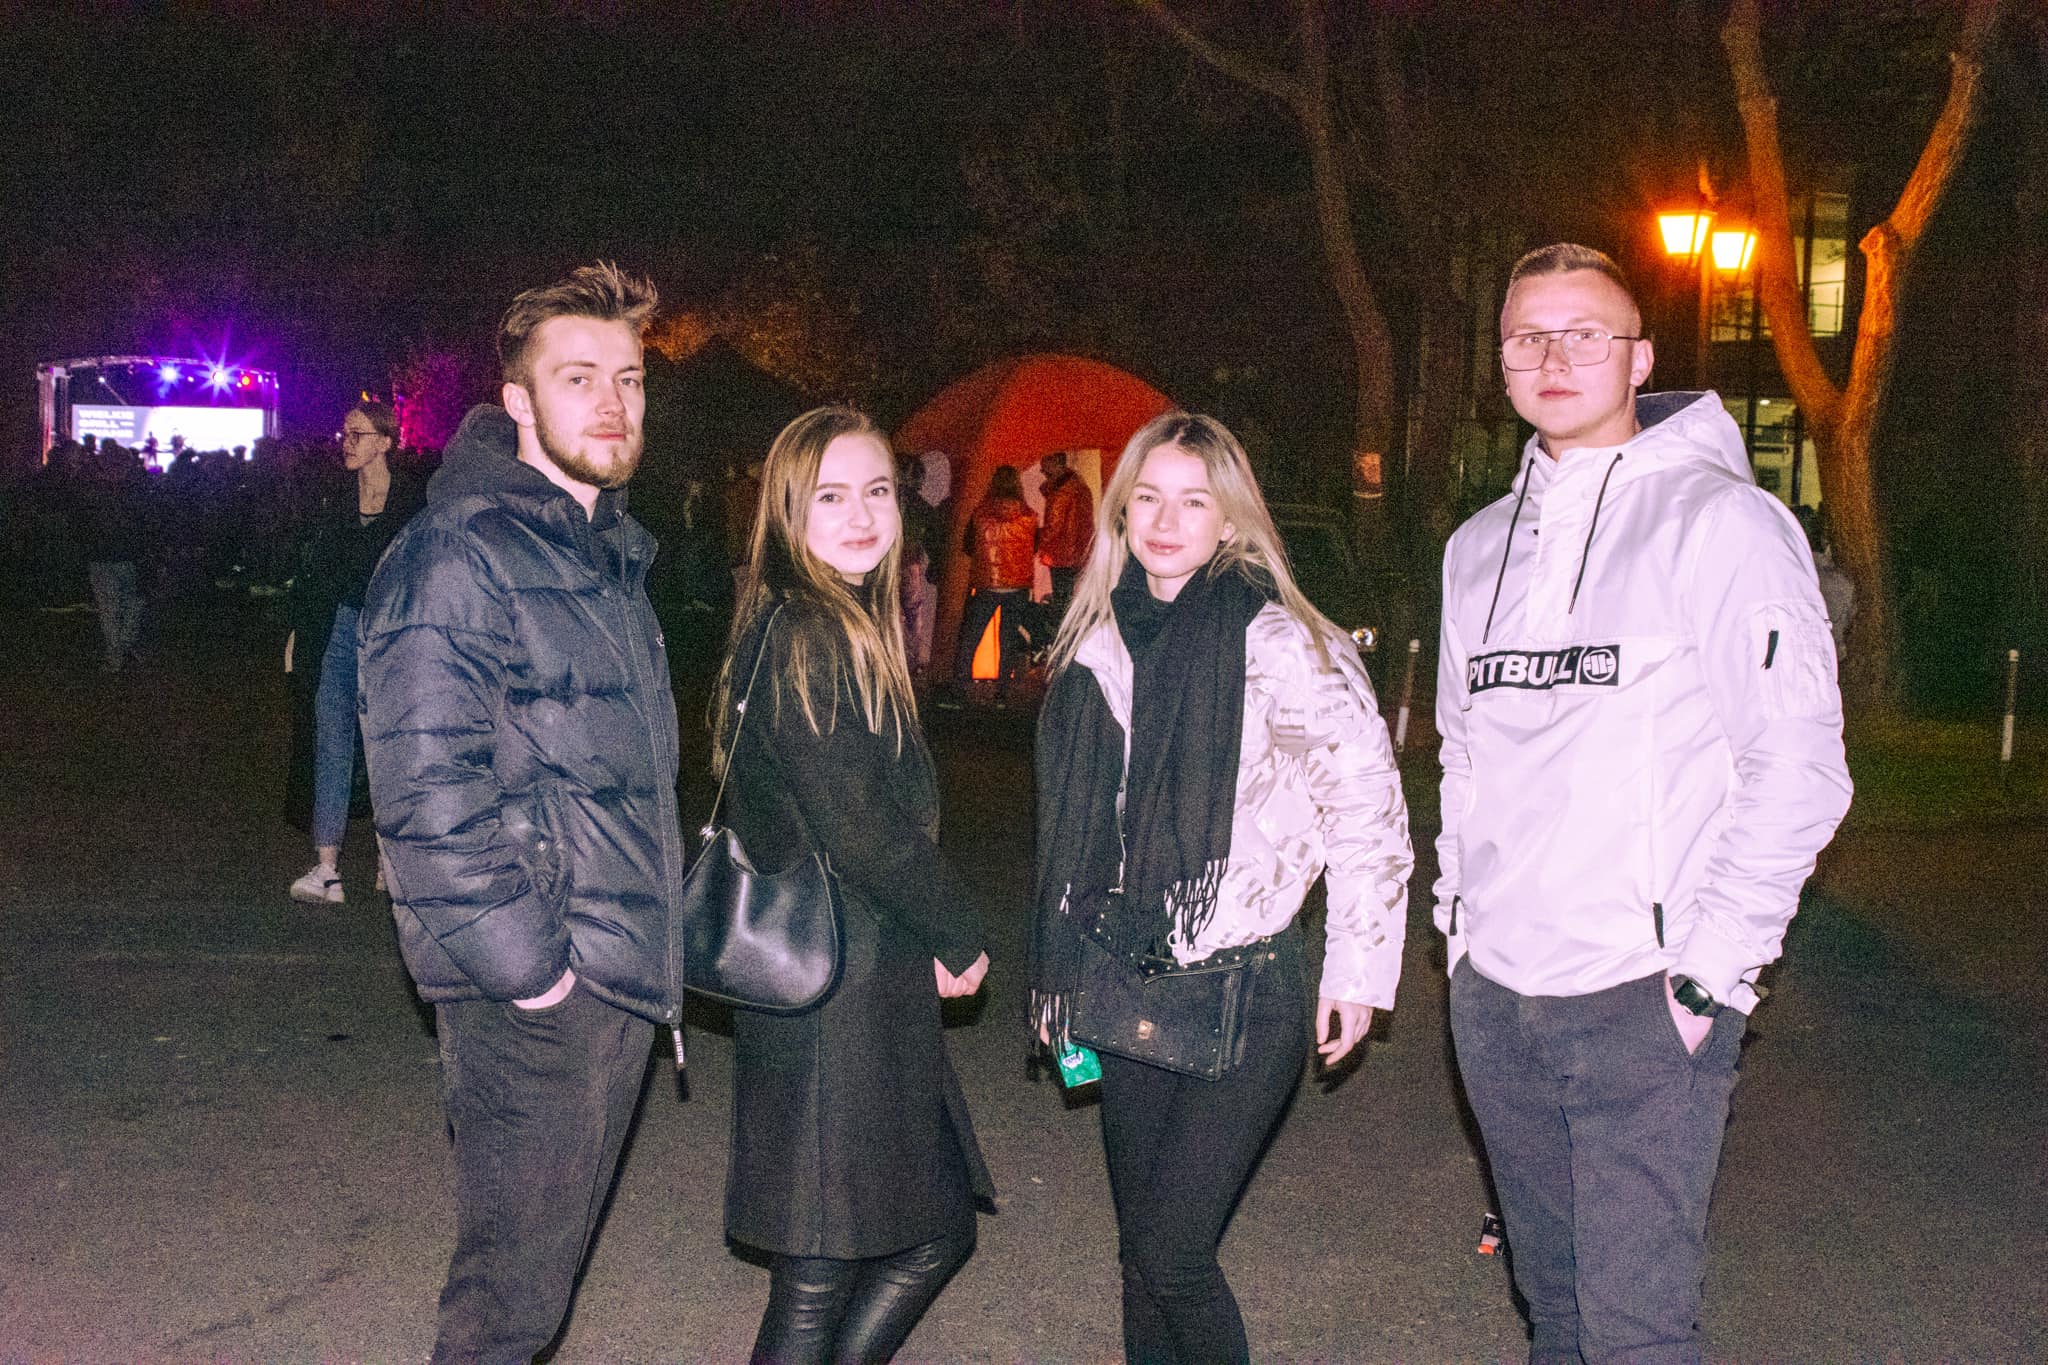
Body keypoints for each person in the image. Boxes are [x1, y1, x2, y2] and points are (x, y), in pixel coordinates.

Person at [1434, 244, 1852, 1364]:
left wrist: (1709, 974)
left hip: (1641, 994)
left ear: (1640, 359)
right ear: (1501, 362)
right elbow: (1463, 754)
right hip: (1498, 998)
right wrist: (1458, 930)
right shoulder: (1476, 550)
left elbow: (1798, 764)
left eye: (1585, 334)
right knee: (1555, 1312)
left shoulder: (1722, 523)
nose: (1553, 357)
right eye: (1528, 337)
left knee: (1635, 1335)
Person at [1030, 412, 1413, 1365]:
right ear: (1121, 512)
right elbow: (1080, 830)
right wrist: (1063, 966)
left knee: (1172, 1253)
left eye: (1193, 501)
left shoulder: (1282, 642)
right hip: (1126, 970)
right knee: (1141, 1256)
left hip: (1248, 983)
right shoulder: (1099, 641)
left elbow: (1367, 808)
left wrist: (1357, 970)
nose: (1166, 521)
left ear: (1231, 519)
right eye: (1148, 498)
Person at [357, 263, 684, 1363]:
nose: (612, 401)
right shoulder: (459, 552)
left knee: (533, 1293)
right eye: (578, 377)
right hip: (537, 994)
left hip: (611, 971)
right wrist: (532, 971)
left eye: (628, 378)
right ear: (519, 401)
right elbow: (423, 793)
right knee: (507, 1308)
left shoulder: (602, 553)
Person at [716, 405, 992, 1364]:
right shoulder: (810, 632)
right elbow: (863, 827)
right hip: (835, 988)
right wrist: (960, 929)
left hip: (850, 976)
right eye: (831, 496)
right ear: (789, 510)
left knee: (921, 1231)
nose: (862, 514)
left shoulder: (825, 620)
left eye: (877, 490)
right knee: (831, 1267)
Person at [284, 399, 420, 904]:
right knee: (331, 741)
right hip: (337, 630)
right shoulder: (334, 498)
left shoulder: (412, 504)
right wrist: (299, 632)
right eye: (345, 433)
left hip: (389, 637)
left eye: (358, 434)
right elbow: (314, 570)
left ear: (384, 442)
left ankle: (391, 859)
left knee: (387, 747)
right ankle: (327, 869)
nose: (348, 442)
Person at [952, 463, 1037, 698]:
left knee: (972, 636)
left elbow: (968, 546)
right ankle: (1002, 691)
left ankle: (961, 688)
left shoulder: (980, 514)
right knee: (1007, 639)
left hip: (986, 583)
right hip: (1018, 585)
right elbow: (1033, 548)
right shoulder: (1029, 517)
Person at [77, 441, 151, 673]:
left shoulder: (92, 492)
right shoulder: (138, 491)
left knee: (109, 609)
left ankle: (115, 655)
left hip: (101, 555)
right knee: (132, 605)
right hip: (132, 556)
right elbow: (149, 525)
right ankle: (125, 647)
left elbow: (83, 525)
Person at [1036, 449, 1093, 627]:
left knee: (1061, 604)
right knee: (1068, 600)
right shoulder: (1079, 486)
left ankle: (1060, 636)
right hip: (1078, 553)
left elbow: (1053, 526)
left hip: (1061, 555)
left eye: (1044, 468)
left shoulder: (1061, 492)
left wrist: (1035, 539)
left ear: (1055, 464)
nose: (1043, 473)